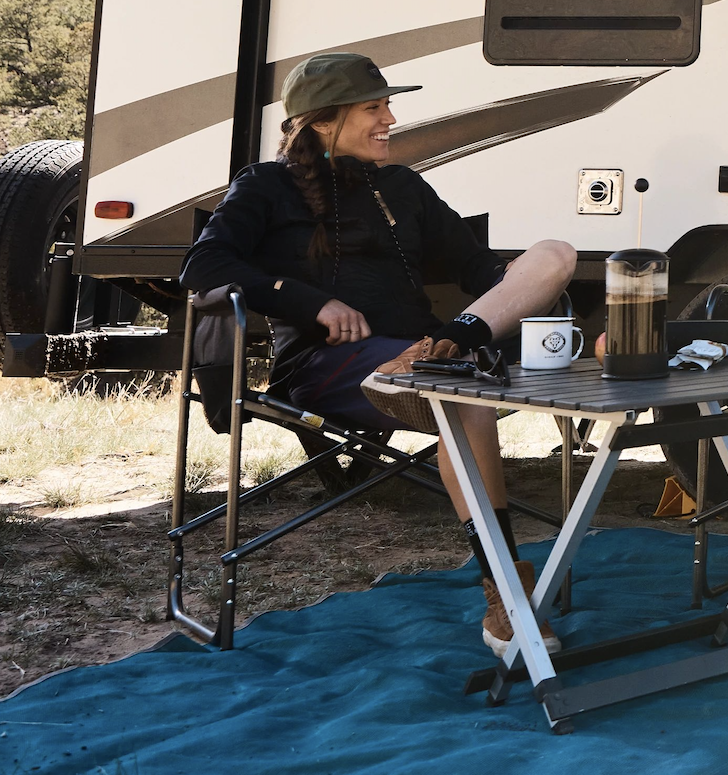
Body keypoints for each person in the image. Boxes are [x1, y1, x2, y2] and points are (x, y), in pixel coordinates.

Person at [181, 51, 577, 658]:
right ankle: (506, 592)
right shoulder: (265, 186)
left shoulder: (401, 186)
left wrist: (524, 288)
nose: (390, 118)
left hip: (427, 351)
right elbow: (203, 266)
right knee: (462, 396)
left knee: (554, 253)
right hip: (326, 365)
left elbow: (477, 267)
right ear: (322, 121)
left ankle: (448, 351)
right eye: (374, 107)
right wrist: (312, 302)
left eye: (388, 105)